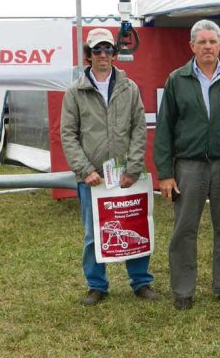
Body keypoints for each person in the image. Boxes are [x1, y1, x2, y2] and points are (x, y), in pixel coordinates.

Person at [154, 19, 220, 310]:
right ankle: (183, 292)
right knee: (184, 230)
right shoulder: (177, 79)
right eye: (202, 42)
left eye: (212, 41)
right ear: (192, 46)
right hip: (188, 166)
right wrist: (165, 173)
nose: (208, 46)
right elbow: (164, 129)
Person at [60, 28, 158, 306]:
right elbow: (68, 134)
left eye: (107, 50)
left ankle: (141, 282)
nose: (103, 55)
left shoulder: (130, 88)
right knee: (94, 233)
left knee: (134, 226)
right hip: (93, 177)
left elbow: (140, 127)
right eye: (96, 50)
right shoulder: (74, 92)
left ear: (115, 54)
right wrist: (84, 170)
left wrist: (134, 167)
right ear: (88, 55)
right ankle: (97, 285)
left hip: (127, 174)